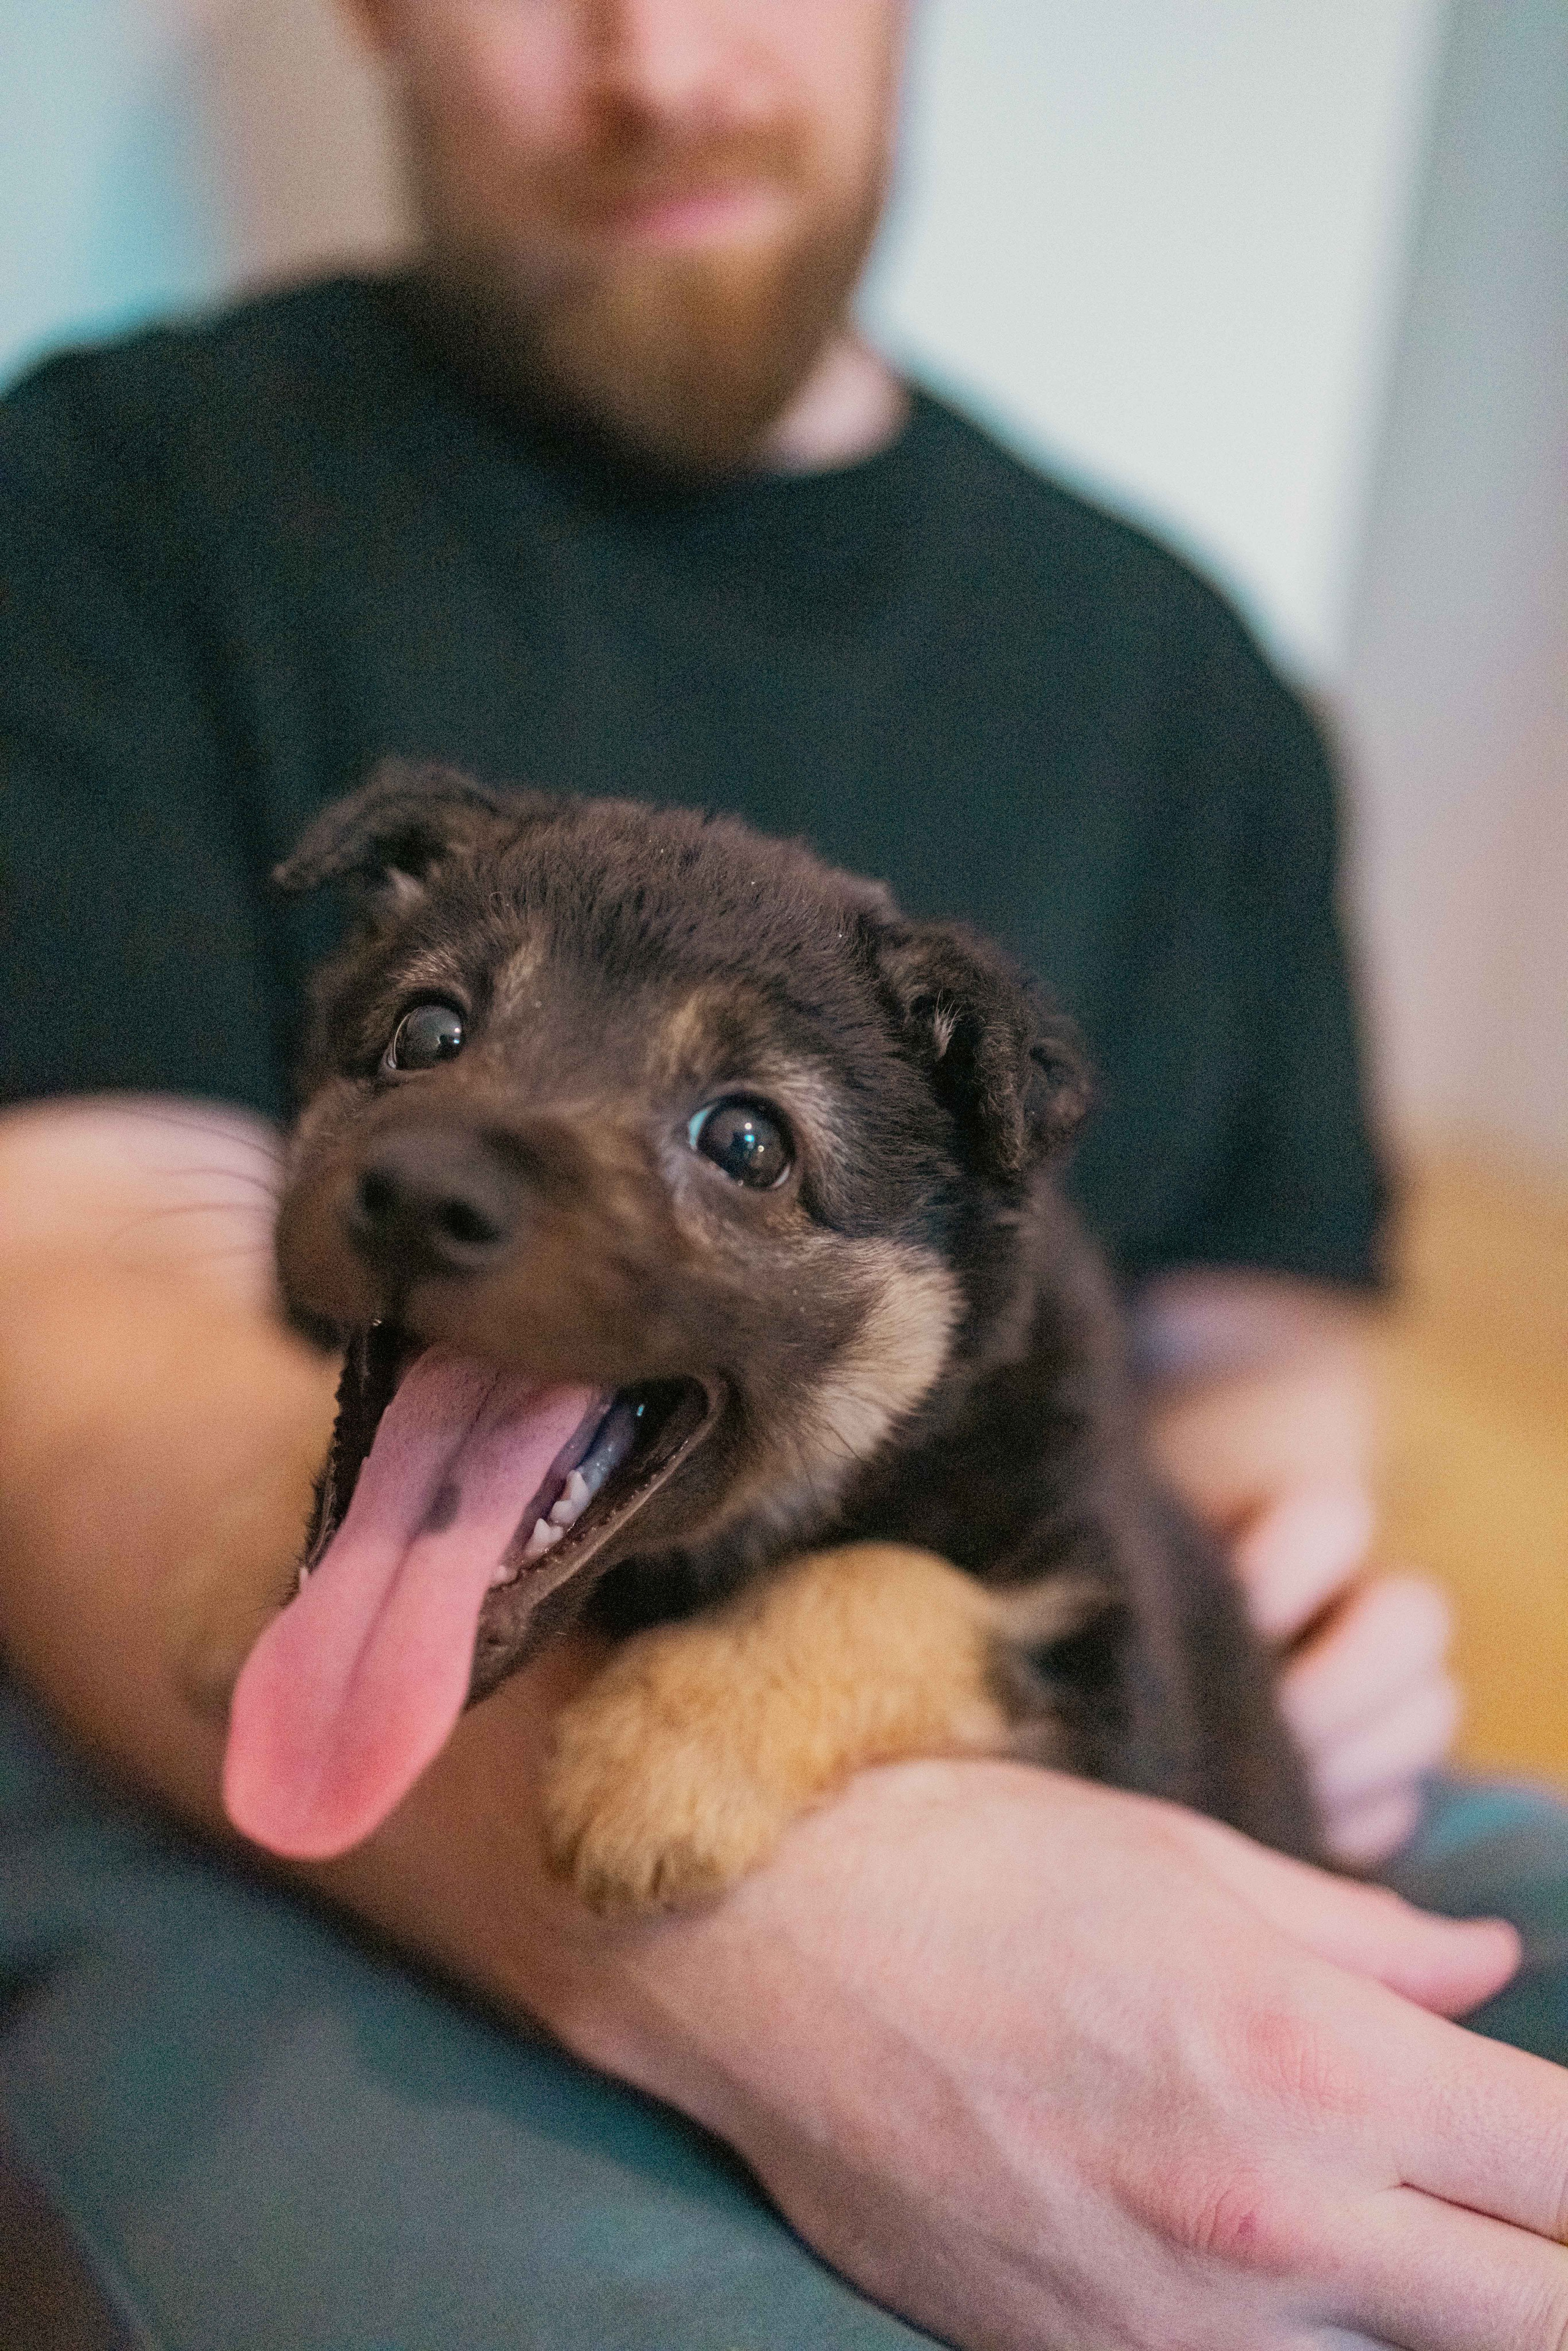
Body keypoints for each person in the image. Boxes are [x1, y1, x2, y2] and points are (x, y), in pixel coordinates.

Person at [3, 4, 1567, 2345]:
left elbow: (1256, 1365)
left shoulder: (1181, 675)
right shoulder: (120, 496)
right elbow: (61, 1314)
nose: (660, 58)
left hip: (1114, 1732)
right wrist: (754, 1938)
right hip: (222, 1797)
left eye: (739, 1142)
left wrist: (1292, 1602)